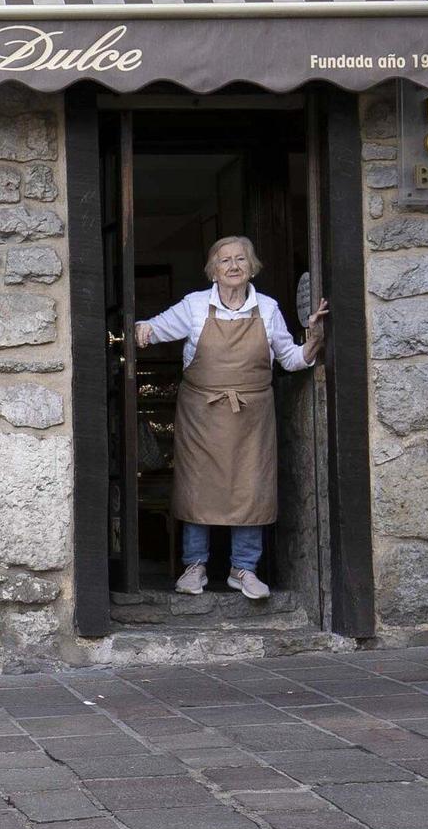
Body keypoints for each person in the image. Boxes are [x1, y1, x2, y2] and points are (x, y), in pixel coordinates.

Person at [135, 235, 326, 600]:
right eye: (225, 261)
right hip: (201, 417)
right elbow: (153, 327)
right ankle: (195, 568)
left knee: (250, 488)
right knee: (198, 486)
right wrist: (143, 329)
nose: (233, 266)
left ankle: (244, 569)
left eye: (241, 259)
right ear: (213, 269)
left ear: (251, 266)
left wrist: (314, 340)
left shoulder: (268, 309)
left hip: (252, 419)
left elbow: (290, 359)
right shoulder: (194, 306)